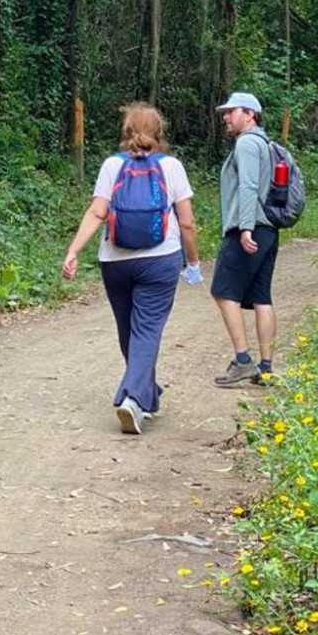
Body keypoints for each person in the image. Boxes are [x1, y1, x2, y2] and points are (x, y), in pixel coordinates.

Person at [62, 103, 202, 435]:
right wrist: (193, 262)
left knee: (130, 332)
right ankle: (133, 397)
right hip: (160, 259)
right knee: (147, 331)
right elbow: (187, 221)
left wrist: (73, 250)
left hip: (115, 260)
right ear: (159, 132)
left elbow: (97, 212)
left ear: (126, 131)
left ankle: (147, 396)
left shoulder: (113, 165)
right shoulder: (172, 167)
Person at [210, 92, 278, 386]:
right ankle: (265, 367)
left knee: (223, 292)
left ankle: (243, 361)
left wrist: (245, 227)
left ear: (249, 114)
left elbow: (249, 186)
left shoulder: (248, 142)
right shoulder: (265, 143)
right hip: (268, 229)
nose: (226, 117)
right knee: (261, 297)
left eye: (231, 112)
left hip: (249, 228)